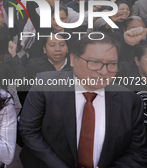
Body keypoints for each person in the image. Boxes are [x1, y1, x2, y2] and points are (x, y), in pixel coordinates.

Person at [19, 34, 147, 168]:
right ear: (74, 59)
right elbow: (29, 130)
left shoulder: (130, 100)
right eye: (94, 62)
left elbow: (137, 151)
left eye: (112, 64)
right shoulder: (46, 85)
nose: (104, 72)